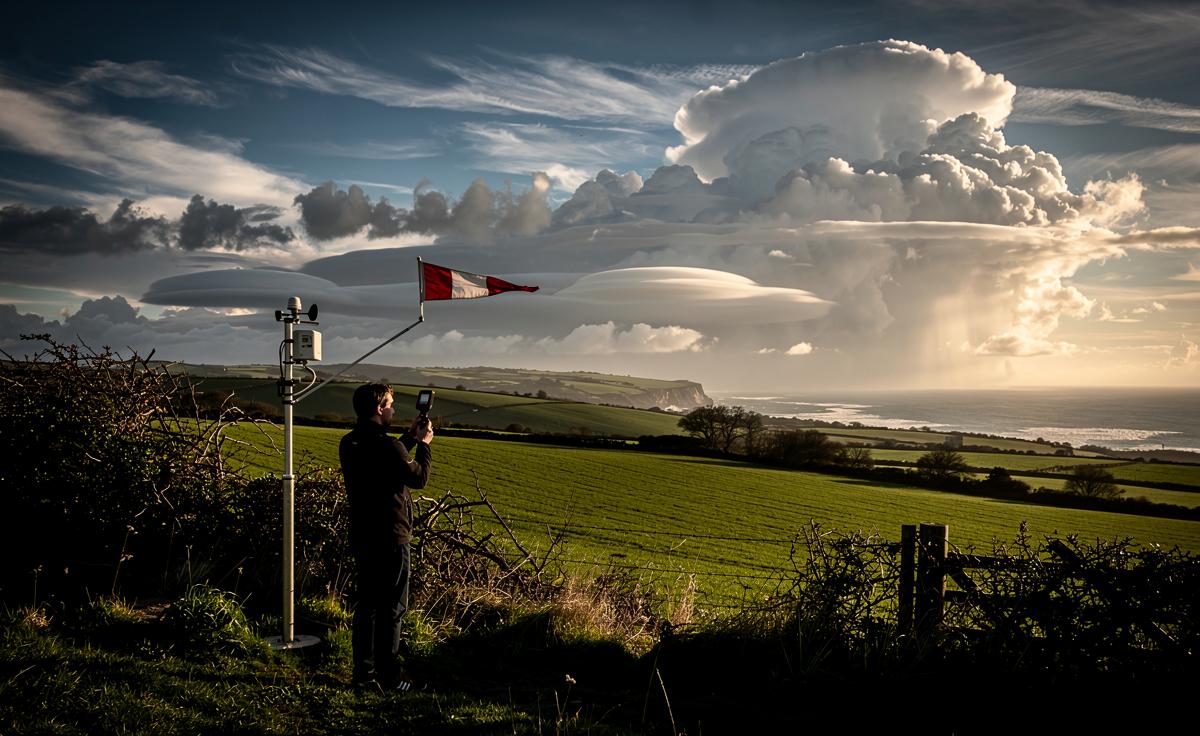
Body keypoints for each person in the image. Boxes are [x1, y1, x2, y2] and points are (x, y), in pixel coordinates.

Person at [339, 383, 433, 692]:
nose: (393, 409)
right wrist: (424, 444)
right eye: (390, 404)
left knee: (367, 608)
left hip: (363, 536)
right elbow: (418, 477)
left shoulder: (349, 443)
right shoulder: (390, 447)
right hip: (392, 538)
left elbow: (385, 456)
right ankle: (390, 677)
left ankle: (363, 674)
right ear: (380, 409)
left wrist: (408, 437)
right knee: (392, 609)